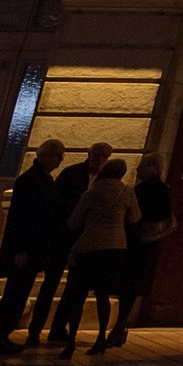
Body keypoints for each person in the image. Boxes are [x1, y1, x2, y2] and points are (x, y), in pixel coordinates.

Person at [0, 141, 70, 355]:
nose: (61, 160)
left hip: (32, 249)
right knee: (14, 295)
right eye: (58, 155)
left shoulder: (39, 179)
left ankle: (0, 337)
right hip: (25, 250)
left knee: (18, 295)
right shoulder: (32, 181)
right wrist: (21, 250)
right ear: (46, 155)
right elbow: (23, 219)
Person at [55, 153, 134, 356]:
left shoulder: (90, 193)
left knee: (78, 295)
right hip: (114, 249)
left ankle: (71, 341)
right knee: (103, 296)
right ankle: (100, 338)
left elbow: (73, 222)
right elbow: (135, 217)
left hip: (89, 248)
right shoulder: (126, 192)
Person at [43, 145, 113, 347]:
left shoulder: (104, 181)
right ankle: (36, 329)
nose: (99, 160)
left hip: (84, 240)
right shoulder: (71, 174)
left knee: (73, 287)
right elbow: (56, 204)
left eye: (103, 157)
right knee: (50, 283)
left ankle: (58, 328)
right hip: (63, 236)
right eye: (96, 156)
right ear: (88, 155)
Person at [111, 153, 174, 349]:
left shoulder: (156, 189)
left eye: (143, 165)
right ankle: (118, 328)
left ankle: (119, 327)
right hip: (135, 243)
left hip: (141, 244)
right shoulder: (144, 187)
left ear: (152, 167)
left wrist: (135, 214)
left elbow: (158, 214)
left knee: (130, 286)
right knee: (126, 286)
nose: (138, 169)